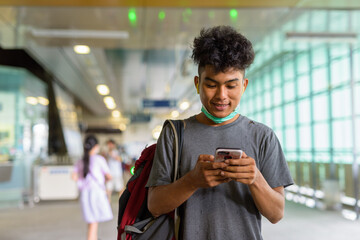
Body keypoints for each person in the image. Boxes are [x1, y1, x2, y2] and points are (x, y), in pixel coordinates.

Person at [146, 25, 293, 240]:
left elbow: (276, 213)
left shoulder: (263, 136)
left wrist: (255, 179)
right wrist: (192, 181)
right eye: (212, 85)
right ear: (197, 84)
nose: (221, 95)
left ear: (244, 85)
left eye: (231, 86)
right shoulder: (175, 134)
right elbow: (155, 206)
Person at [72, 135, 113, 240]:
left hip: (85, 194)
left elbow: (74, 176)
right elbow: (109, 176)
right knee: (94, 224)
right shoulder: (99, 159)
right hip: (97, 193)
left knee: (91, 223)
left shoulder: (80, 160)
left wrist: (83, 180)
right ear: (96, 146)